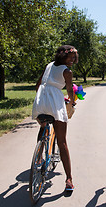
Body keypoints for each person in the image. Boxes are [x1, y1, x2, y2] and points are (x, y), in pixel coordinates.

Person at [32, 45, 78, 191]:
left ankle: (39, 154)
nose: (73, 60)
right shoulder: (67, 71)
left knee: (44, 125)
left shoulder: (49, 65)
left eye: (74, 58)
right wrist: (71, 101)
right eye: (71, 57)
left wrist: (42, 96)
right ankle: (69, 179)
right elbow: (69, 90)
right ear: (63, 56)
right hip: (54, 103)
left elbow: (38, 84)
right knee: (62, 141)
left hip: (40, 101)